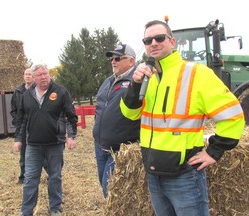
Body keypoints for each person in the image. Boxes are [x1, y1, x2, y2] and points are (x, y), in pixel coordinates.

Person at [120, 20, 245, 216]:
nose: (153, 43)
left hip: (184, 177)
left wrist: (214, 151)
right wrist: (135, 85)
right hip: (153, 173)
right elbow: (129, 113)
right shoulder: (146, 77)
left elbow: (233, 115)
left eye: (159, 38)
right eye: (147, 40)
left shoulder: (197, 73)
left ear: (172, 41)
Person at [13, 64, 78, 216]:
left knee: (55, 176)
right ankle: (27, 210)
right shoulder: (27, 95)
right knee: (30, 179)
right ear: (34, 78)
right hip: (33, 145)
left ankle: (55, 208)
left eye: (46, 73)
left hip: (55, 143)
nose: (43, 77)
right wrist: (18, 138)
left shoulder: (60, 92)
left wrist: (71, 136)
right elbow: (21, 119)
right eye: (40, 75)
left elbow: (71, 115)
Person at [93, 43, 140, 198]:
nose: (113, 61)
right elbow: (100, 107)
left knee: (111, 189)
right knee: (104, 184)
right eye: (112, 58)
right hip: (101, 145)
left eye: (118, 58)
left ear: (131, 61)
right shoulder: (108, 81)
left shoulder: (138, 82)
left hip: (121, 147)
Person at [10, 68, 34, 184]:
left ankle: (50, 174)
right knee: (23, 153)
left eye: (30, 74)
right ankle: (23, 177)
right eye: (26, 74)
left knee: (41, 152)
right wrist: (16, 121)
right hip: (22, 126)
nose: (28, 76)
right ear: (23, 76)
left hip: (35, 125)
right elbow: (13, 109)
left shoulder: (37, 90)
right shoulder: (18, 91)